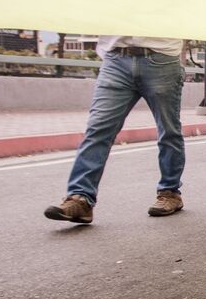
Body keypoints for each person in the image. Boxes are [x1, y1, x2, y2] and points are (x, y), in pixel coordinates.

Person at [45, 36, 186, 223]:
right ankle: (81, 199)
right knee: (98, 129)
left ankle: (170, 192)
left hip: (161, 58)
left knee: (169, 131)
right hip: (115, 58)